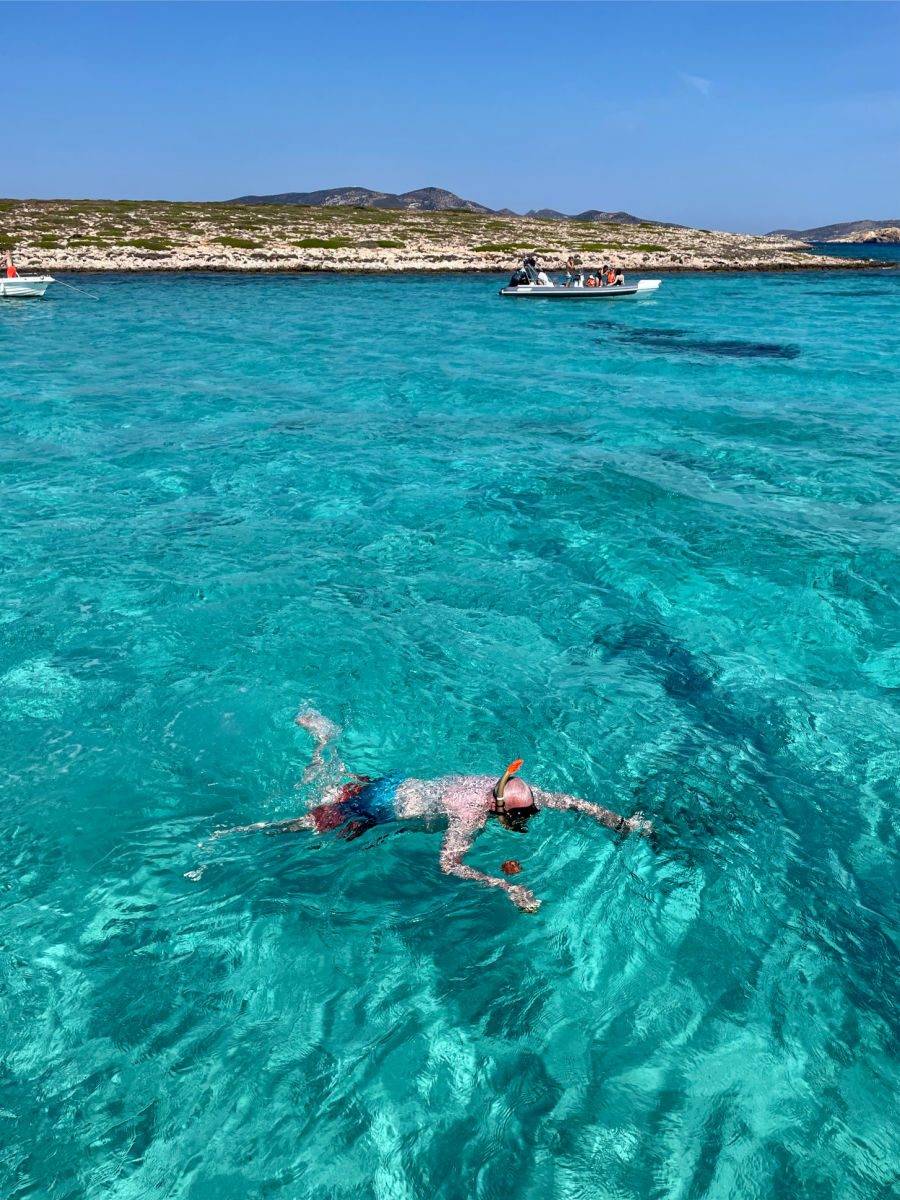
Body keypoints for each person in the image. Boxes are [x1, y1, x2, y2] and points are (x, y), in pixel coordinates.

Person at [215, 709, 651, 913]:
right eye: (521, 817)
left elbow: (573, 802)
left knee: (333, 783)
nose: (527, 818)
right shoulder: (470, 814)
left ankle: (325, 739)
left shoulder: (512, 786)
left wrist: (623, 824)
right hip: (380, 806)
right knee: (307, 824)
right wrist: (504, 886)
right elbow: (447, 865)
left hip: (399, 786)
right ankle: (232, 834)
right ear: (501, 807)